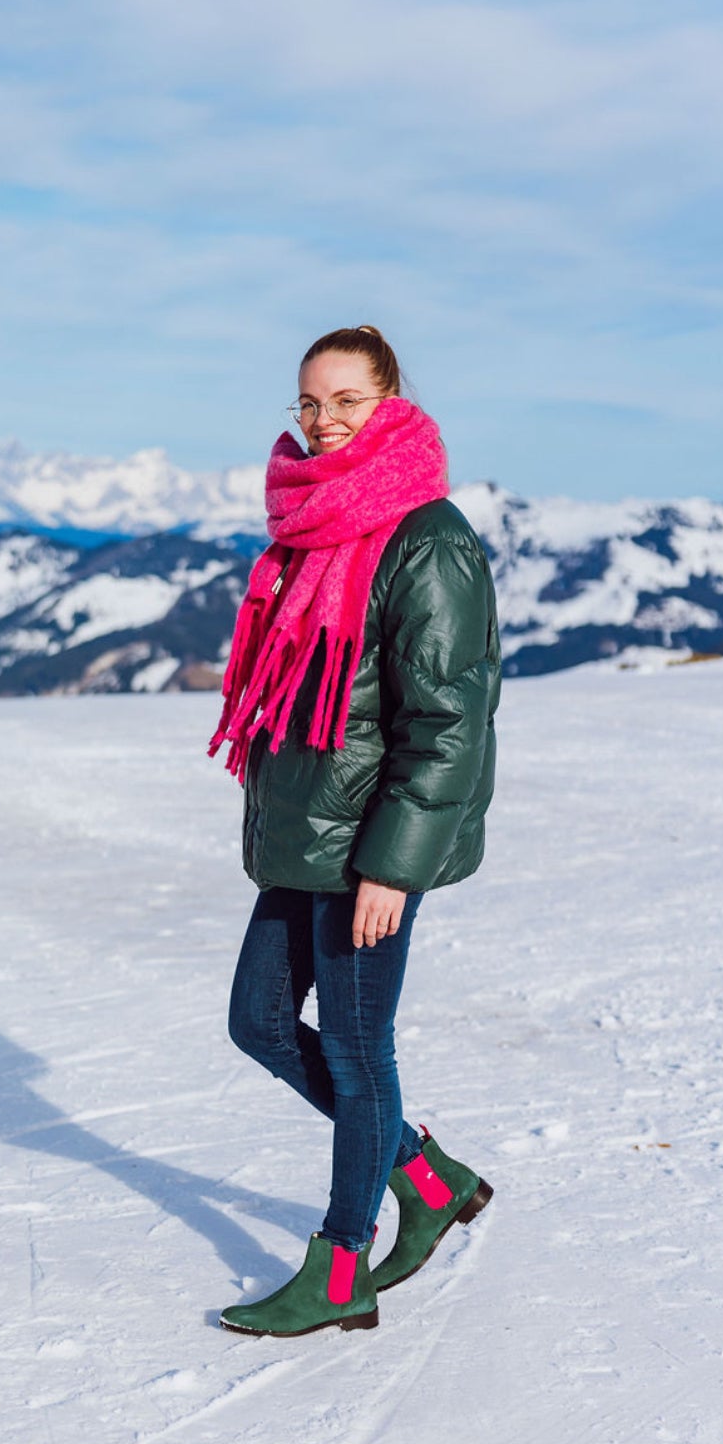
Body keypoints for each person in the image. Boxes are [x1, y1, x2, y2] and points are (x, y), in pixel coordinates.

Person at [208, 325, 500, 1337]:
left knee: (360, 1047)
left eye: (347, 400)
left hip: (369, 844)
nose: (325, 420)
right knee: (258, 1019)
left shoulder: (428, 537)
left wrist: (391, 867)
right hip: (305, 829)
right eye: (310, 403)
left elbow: (450, 722)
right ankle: (422, 1173)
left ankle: (342, 1269)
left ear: (390, 402)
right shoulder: (308, 525)